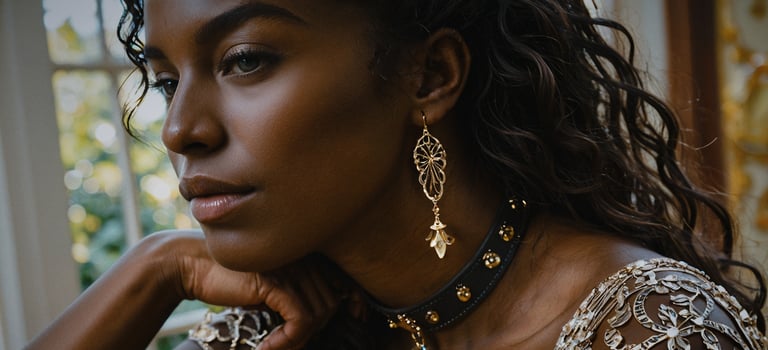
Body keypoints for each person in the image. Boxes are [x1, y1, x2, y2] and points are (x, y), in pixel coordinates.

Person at [29, 0, 767, 349]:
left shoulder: (645, 331)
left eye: (245, 59)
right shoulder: (272, 327)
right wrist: (157, 268)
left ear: (429, 76)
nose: (182, 128)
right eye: (165, 81)